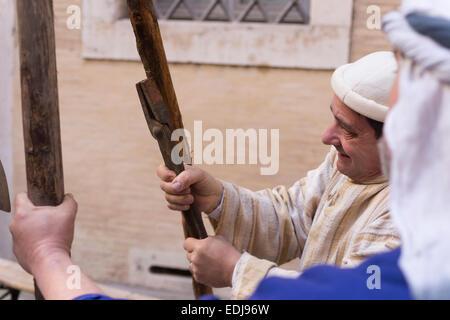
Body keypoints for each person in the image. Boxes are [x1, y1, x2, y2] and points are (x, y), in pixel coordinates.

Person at [158, 52, 399, 299]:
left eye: (347, 130)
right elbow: (293, 218)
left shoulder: (410, 216)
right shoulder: (348, 164)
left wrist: (237, 271)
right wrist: (217, 199)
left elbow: (345, 295)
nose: (327, 137)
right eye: (334, 119)